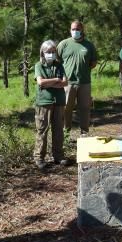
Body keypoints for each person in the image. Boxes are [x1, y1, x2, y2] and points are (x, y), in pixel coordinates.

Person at [34, 40, 72, 170]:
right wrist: (56, 80)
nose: (50, 54)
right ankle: (39, 158)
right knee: (42, 130)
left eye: (53, 51)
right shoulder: (38, 66)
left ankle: (58, 156)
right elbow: (40, 82)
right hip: (44, 102)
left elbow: (65, 83)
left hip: (59, 102)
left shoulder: (59, 65)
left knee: (58, 130)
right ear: (42, 53)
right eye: (48, 52)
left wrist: (49, 83)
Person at [57, 20, 97, 136]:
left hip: (84, 82)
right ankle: (66, 132)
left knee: (85, 108)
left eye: (77, 29)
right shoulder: (63, 44)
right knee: (66, 108)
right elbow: (57, 60)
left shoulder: (89, 45)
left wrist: (84, 68)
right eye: (73, 29)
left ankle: (84, 132)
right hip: (67, 82)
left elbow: (93, 62)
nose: (75, 31)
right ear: (70, 30)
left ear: (82, 30)